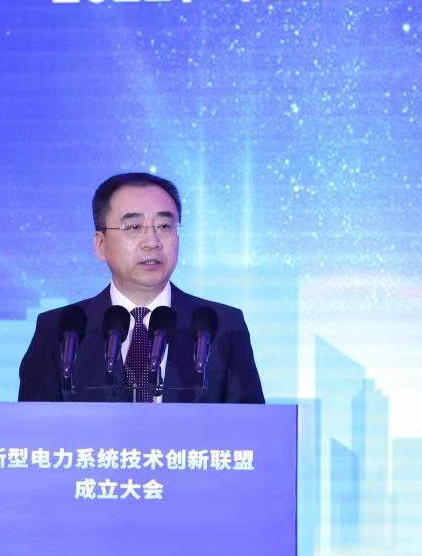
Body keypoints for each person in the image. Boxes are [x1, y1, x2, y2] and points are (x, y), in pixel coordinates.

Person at [18, 172, 264, 403]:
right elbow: (30, 428)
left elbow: (253, 427)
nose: (152, 242)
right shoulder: (60, 330)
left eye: (164, 226)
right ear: (101, 244)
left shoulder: (222, 326)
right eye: (134, 227)